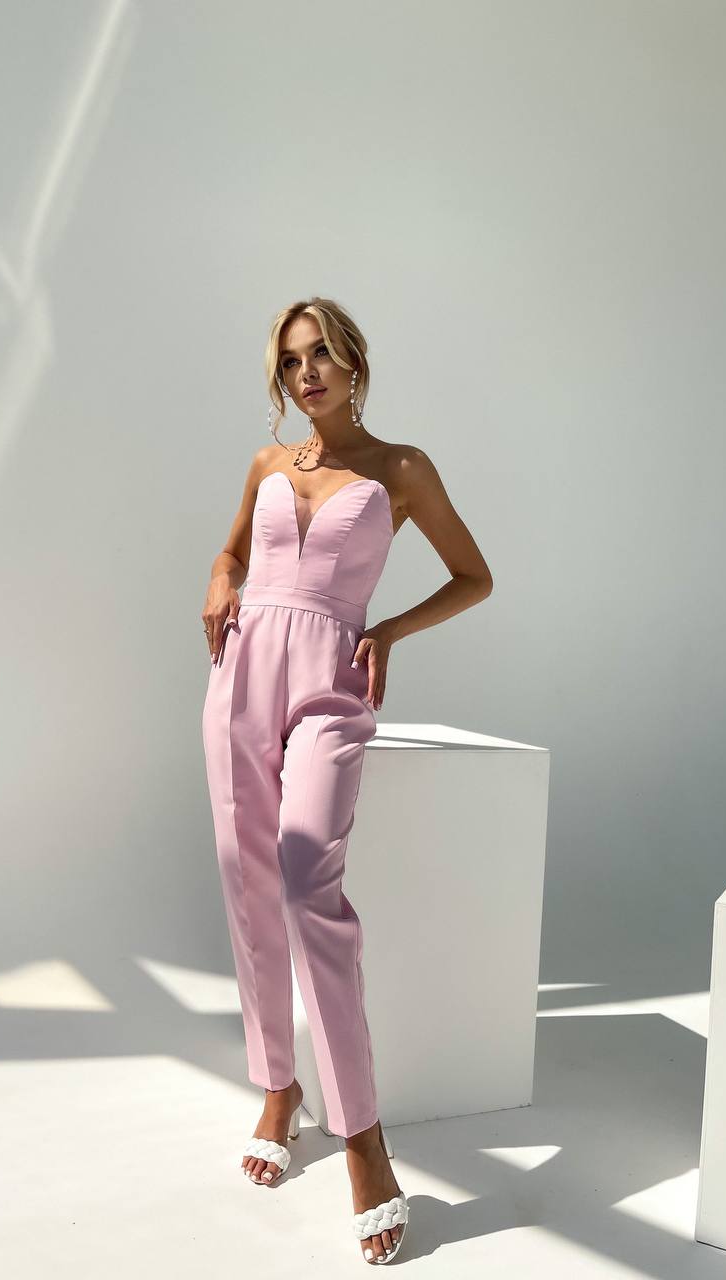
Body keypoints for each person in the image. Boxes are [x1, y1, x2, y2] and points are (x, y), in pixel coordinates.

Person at [201, 296, 493, 1264]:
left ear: (353, 362)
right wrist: (219, 574)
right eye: (291, 361)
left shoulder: (400, 469)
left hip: (330, 679)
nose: (307, 373)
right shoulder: (267, 464)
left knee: (303, 882)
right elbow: (234, 550)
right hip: (240, 675)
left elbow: (473, 575)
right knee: (248, 885)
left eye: (321, 353)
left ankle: (362, 1135)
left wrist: (389, 630)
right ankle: (278, 1086)